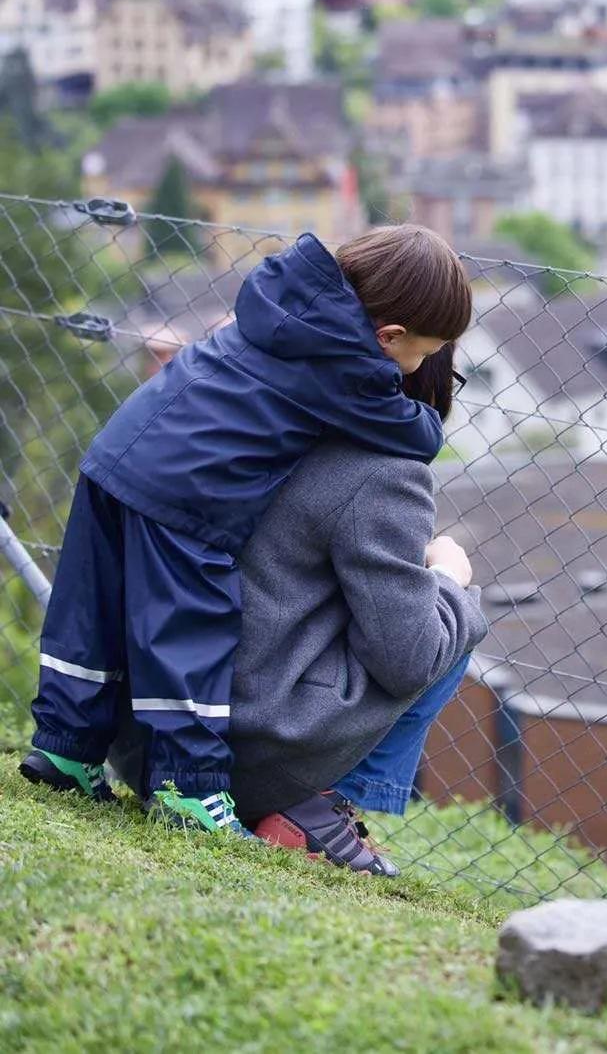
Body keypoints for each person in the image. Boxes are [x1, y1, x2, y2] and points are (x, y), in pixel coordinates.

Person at [21, 224, 473, 837]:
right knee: (185, 629)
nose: (419, 367)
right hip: (186, 495)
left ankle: (64, 748)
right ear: (389, 337)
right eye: (428, 350)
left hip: (119, 454)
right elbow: (408, 431)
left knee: (89, 618)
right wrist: (423, 423)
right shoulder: (340, 366)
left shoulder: (285, 311)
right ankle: (190, 789)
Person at [109, 344, 488, 872]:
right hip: (244, 758)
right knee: (452, 615)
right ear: (426, 370)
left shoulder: (243, 422)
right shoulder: (385, 473)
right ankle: (320, 807)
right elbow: (410, 658)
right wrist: (447, 576)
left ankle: (313, 806)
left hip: (141, 736)